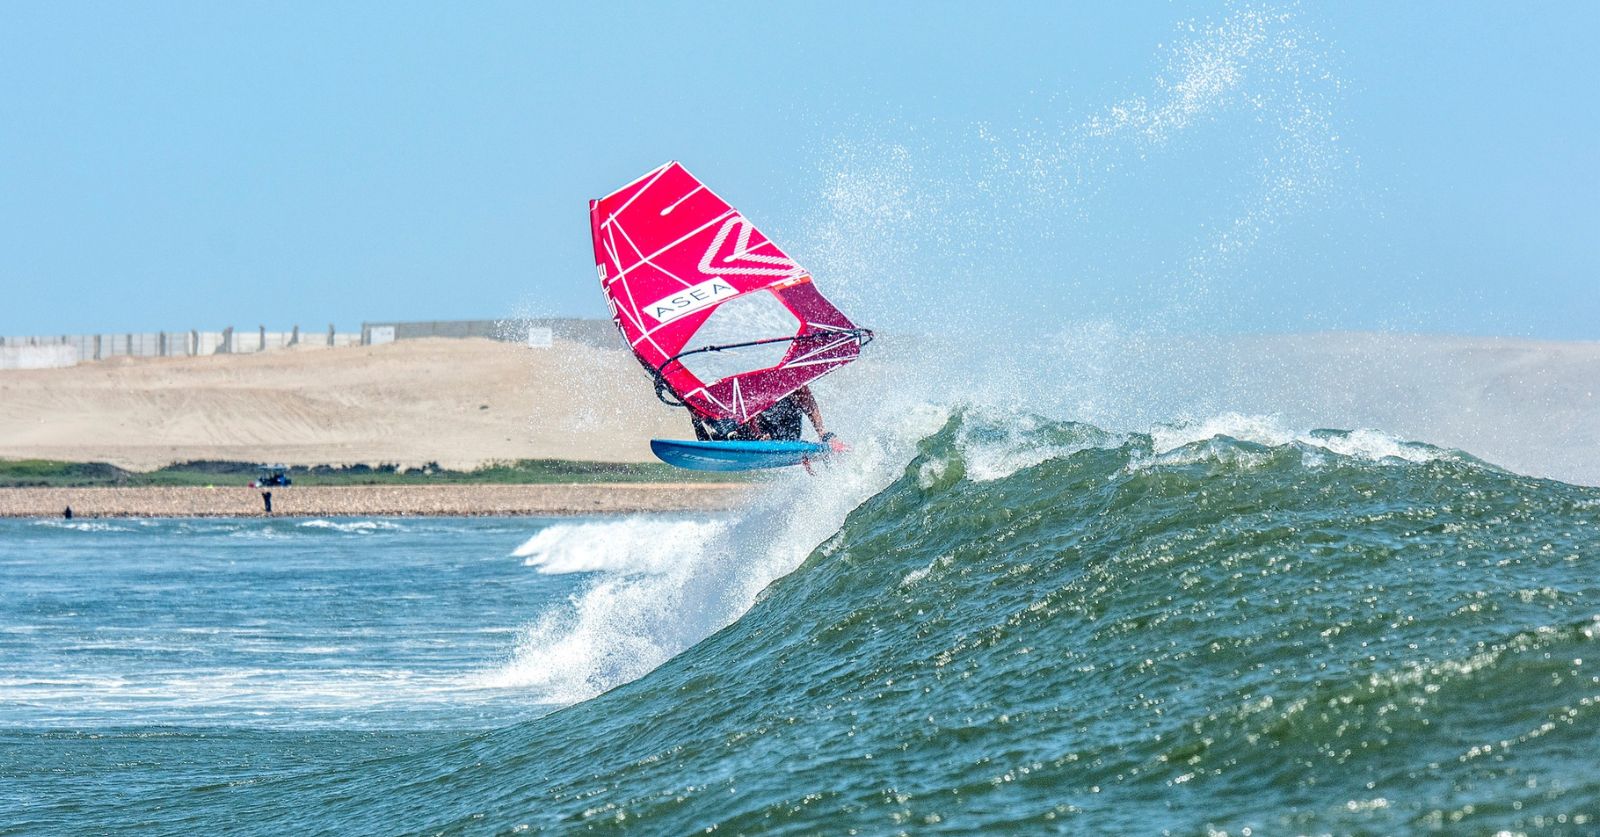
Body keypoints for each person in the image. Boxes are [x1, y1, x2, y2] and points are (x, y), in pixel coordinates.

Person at [691, 385, 846, 452]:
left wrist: (823, 434)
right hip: (760, 430)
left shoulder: (791, 380)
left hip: (787, 430)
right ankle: (697, 421)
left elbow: (810, 406)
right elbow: (750, 413)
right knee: (724, 429)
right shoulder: (750, 382)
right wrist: (758, 435)